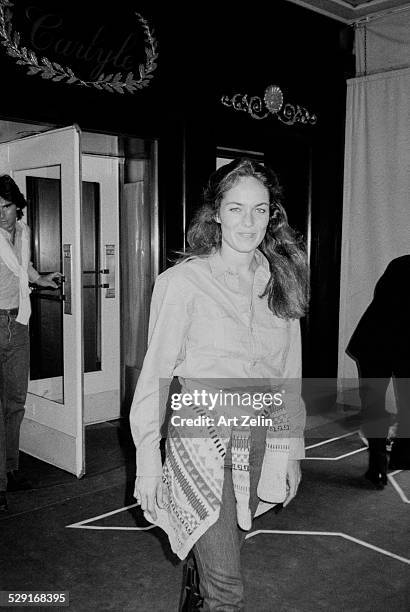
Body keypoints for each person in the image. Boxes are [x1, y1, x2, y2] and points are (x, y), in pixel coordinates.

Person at [130, 158, 308, 610]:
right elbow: (155, 375)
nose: (248, 222)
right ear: (215, 212)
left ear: (273, 215)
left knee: (222, 546)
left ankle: (198, 586)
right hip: (199, 440)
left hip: (259, 438)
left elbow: (288, 379)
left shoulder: (280, 281)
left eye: (260, 210)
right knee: (227, 588)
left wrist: (290, 450)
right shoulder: (182, 282)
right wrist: (148, 462)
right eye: (235, 209)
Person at [0, 175, 62, 512]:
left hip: (18, 322)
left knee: (14, 404)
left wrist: (43, 280)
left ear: (18, 207)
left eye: (6, 206)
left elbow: (25, 271)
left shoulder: (23, 233)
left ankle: (10, 471)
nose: (1, 214)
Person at [346, 255, 410, 489]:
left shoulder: (399, 263)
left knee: (374, 407)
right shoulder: (401, 264)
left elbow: (380, 294)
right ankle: (399, 457)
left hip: (374, 341)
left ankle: (378, 468)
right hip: (384, 341)